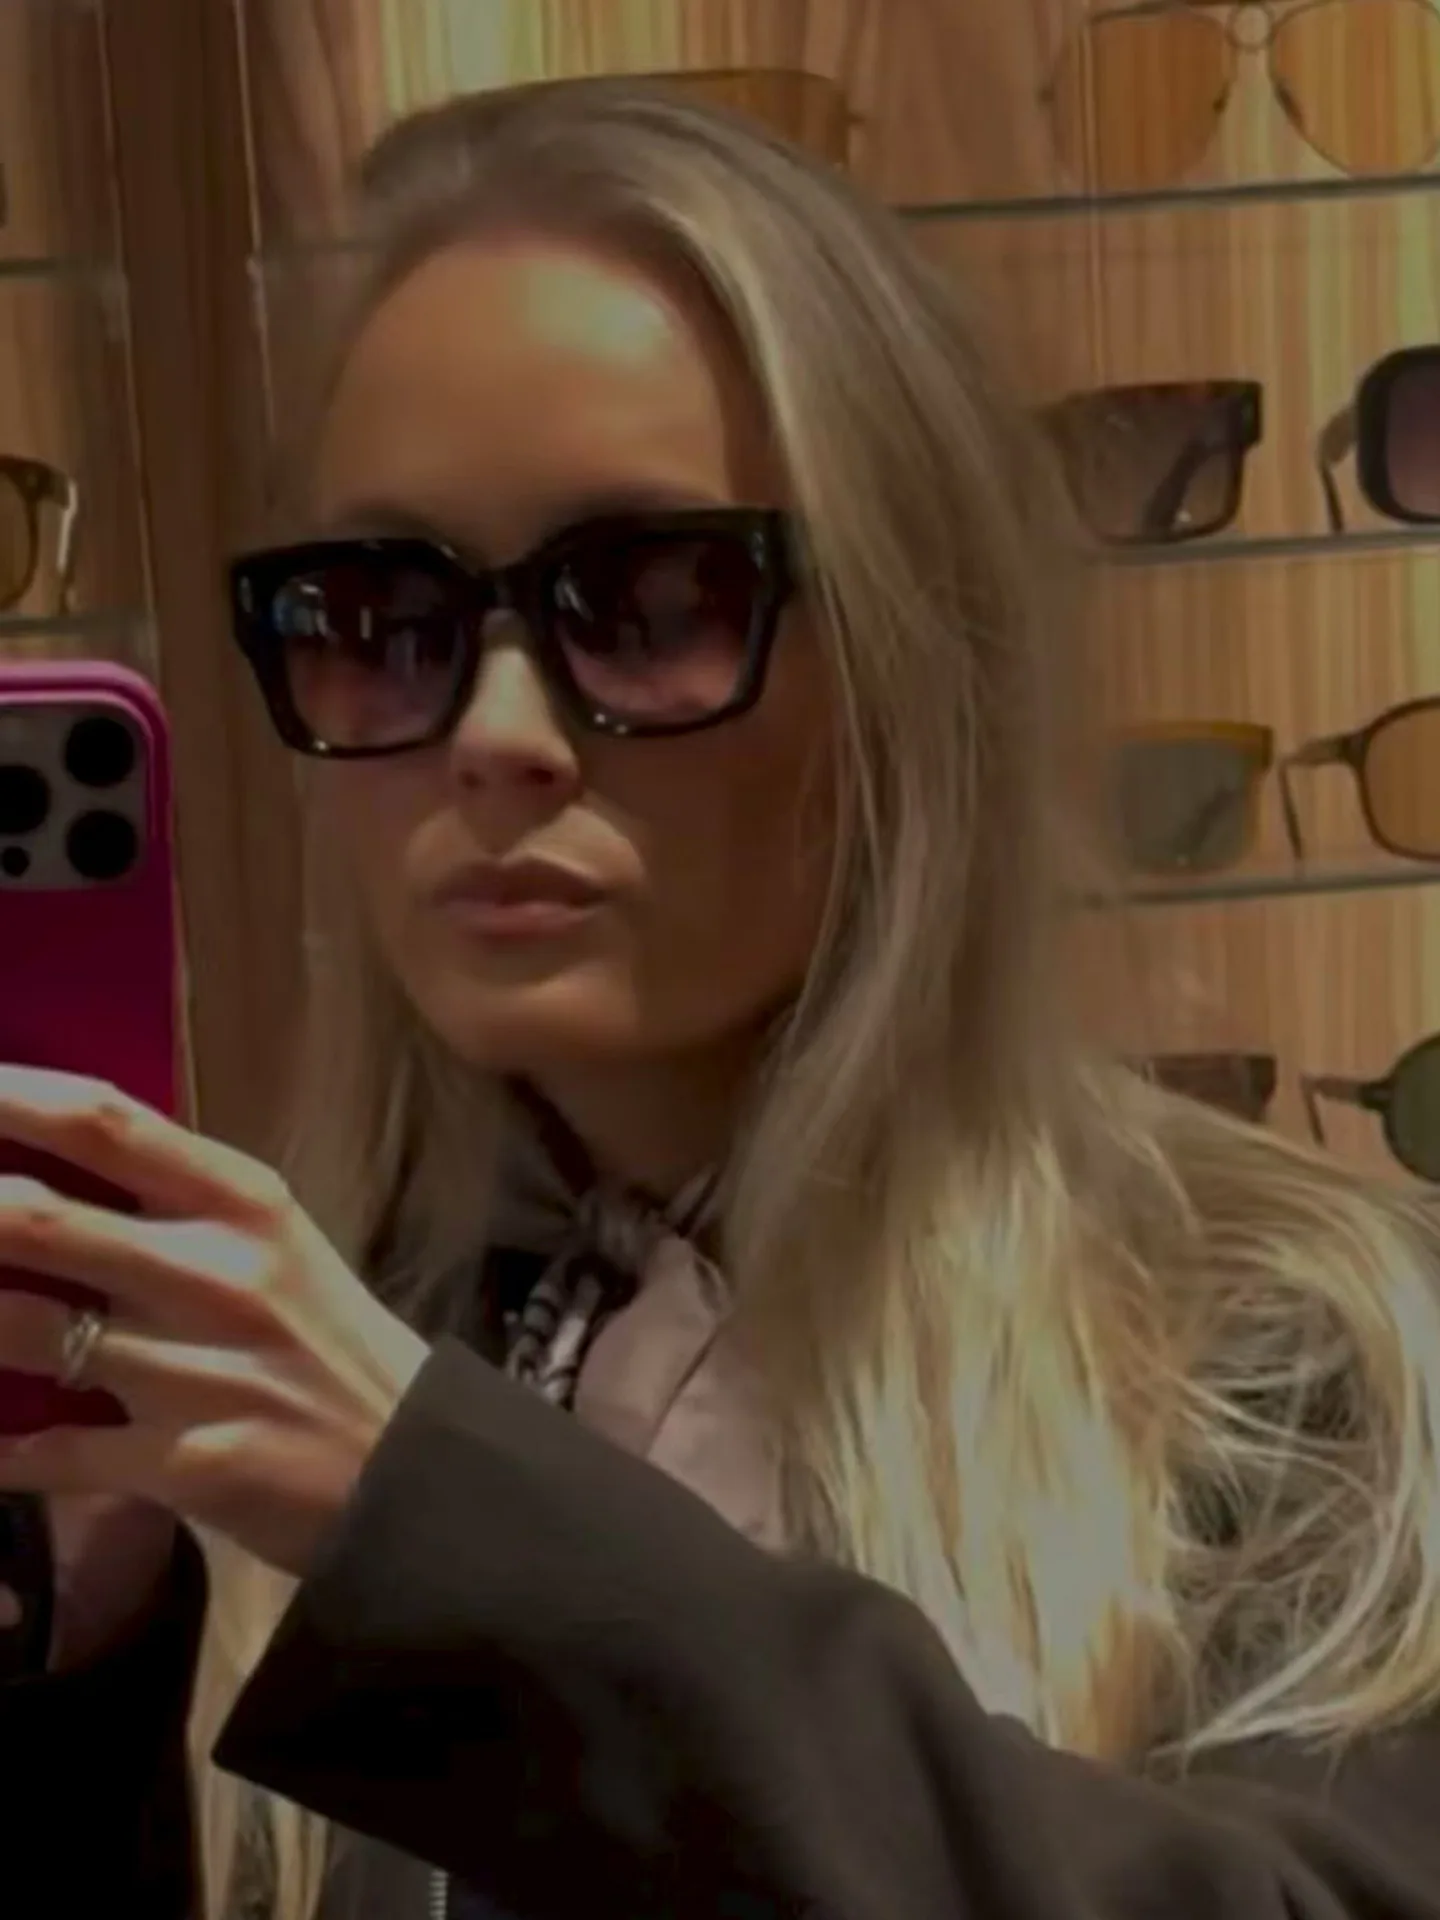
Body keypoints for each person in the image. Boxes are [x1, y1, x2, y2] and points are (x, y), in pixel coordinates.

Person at [4, 74, 1440, 1920]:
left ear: (913, 665)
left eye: (656, 598)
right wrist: (75, 1669)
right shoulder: (268, 1393)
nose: (495, 734)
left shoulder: (1310, 1357)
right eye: (379, 619)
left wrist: (443, 1536)